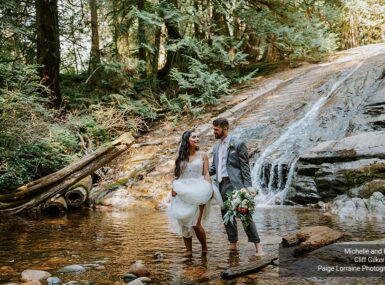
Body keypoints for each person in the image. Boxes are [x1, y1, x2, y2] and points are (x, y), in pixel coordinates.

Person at [209, 117, 263, 255]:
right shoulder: (215, 147)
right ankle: (233, 244)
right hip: (221, 186)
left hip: (236, 185)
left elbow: (245, 167)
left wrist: (248, 187)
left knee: (245, 214)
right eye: (213, 129)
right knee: (227, 216)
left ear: (225, 128)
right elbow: (213, 168)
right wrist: (197, 172)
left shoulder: (238, 144)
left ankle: (258, 246)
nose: (213, 132)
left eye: (216, 129)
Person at [168, 130, 214, 257]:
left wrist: (209, 188)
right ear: (187, 140)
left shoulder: (203, 154)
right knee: (183, 221)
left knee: (195, 223)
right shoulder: (180, 157)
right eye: (194, 137)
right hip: (182, 189)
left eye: (197, 137)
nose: (197, 139)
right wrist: (173, 188)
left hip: (199, 190)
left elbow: (205, 173)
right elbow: (177, 175)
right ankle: (189, 250)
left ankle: (204, 248)